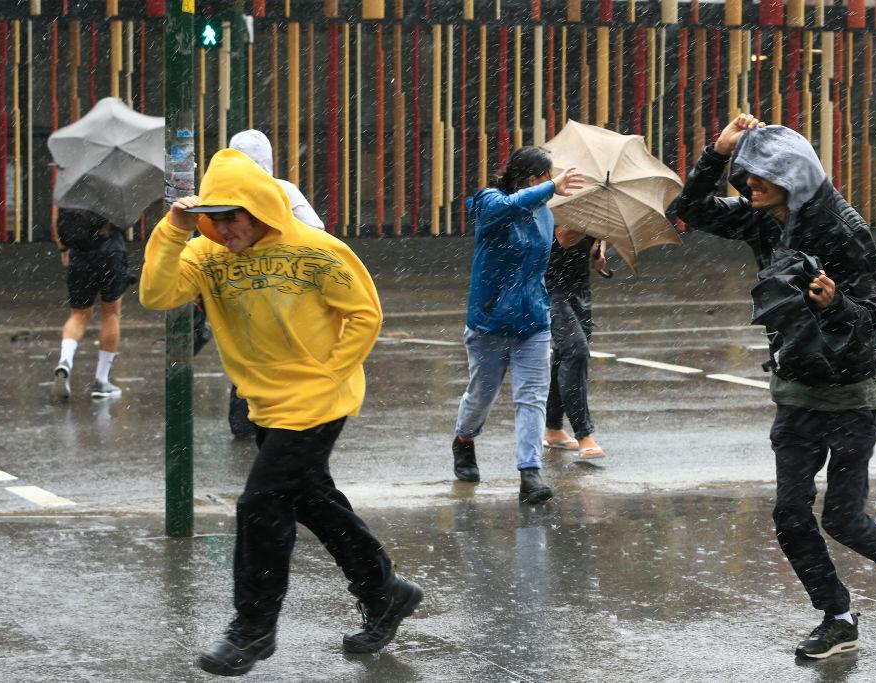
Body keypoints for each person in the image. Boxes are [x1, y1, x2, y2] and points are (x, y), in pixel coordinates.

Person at [140, 148, 422, 676]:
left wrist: (329, 372)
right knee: (313, 501)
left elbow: (364, 313)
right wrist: (175, 229)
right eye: (214, 219)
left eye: (233, 217)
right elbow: (157, 295)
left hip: (319, 399)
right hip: (265, 402)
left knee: (261, 501)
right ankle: (385, 591)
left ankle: (252, 630)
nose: (225, 230)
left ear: (259, 208)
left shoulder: (315, 250)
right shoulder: (205, 253)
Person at [674, 114, 876, 659]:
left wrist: (836, 306)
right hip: (794, 388)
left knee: (843, 517)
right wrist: (717, 153)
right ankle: (837, 615)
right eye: (745, 177)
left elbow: (873, 315)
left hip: (849, 395)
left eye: (759, 177)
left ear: (792, 174)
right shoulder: (764, 219)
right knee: (789, 516)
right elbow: (691, 209)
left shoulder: (844, 229)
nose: (749, 187)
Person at [451, 146, 583, 504]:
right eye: (546, 177)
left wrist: (585, 239)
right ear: (531, 179)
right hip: (490, 322)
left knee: (532, 398)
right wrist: (551, 188)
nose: (551, 183)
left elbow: (551, 248)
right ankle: (464, 440)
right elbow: (506, 209)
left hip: (534, 321)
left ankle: (530, 474)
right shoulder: (488, 201)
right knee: (482, 395)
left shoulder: (543, 212)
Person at [221, 129, 326, 436]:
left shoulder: (230, 195)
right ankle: (268, 418)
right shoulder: (283, 190)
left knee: (248, 353)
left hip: (245, 289)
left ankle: (248, 421)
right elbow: (317, 233)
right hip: (275, 290)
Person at [543, 228, 609, 460]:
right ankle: (584, 435)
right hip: (550, 286)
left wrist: (598, 251)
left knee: (564, 355)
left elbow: (595, 243)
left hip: (579, 286)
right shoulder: (563, 197)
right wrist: (590, 223)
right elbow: (563, 237)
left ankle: (553, 429)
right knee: (576, 352)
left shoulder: (598, 205)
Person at [52, 208, 129, 400]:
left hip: (80, 254)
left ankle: (65, 360)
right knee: (111, 313)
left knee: (78, 315)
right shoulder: (115, 181)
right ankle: (101, 381)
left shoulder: (70, 182)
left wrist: (63, 249)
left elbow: (57, 219)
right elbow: (126, 217)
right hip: (112, 252)